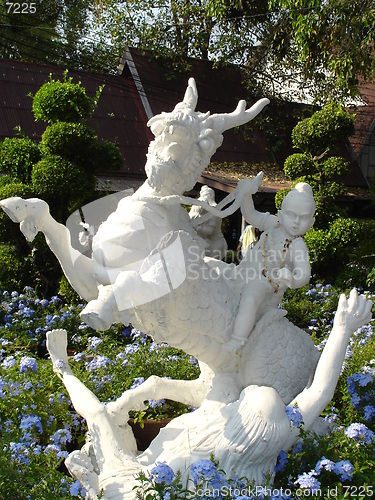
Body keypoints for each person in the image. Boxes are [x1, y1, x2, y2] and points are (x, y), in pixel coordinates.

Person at [45, 289, 372, 498]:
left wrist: (342, 327)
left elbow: (320, 392)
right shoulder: (278, 439)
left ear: (237, 419)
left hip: (132, 490)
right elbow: (320, 391)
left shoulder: (210, 454)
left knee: (99, 415)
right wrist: (341, 329)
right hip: (152, 482)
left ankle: (62, 366)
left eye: (246, 395)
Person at [225, 181, 316, 352]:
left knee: (250, 298)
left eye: (303, 218)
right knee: (216, 270)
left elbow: (304, 274)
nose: (296, 222)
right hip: (244, 271)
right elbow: (250, 215)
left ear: (311, 223)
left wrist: (292, 278)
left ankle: (238, 339)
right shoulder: (272, 223)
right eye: (291, 215)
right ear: (281, 215)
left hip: (267, 284)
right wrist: (245, 195)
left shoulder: (297, 245)